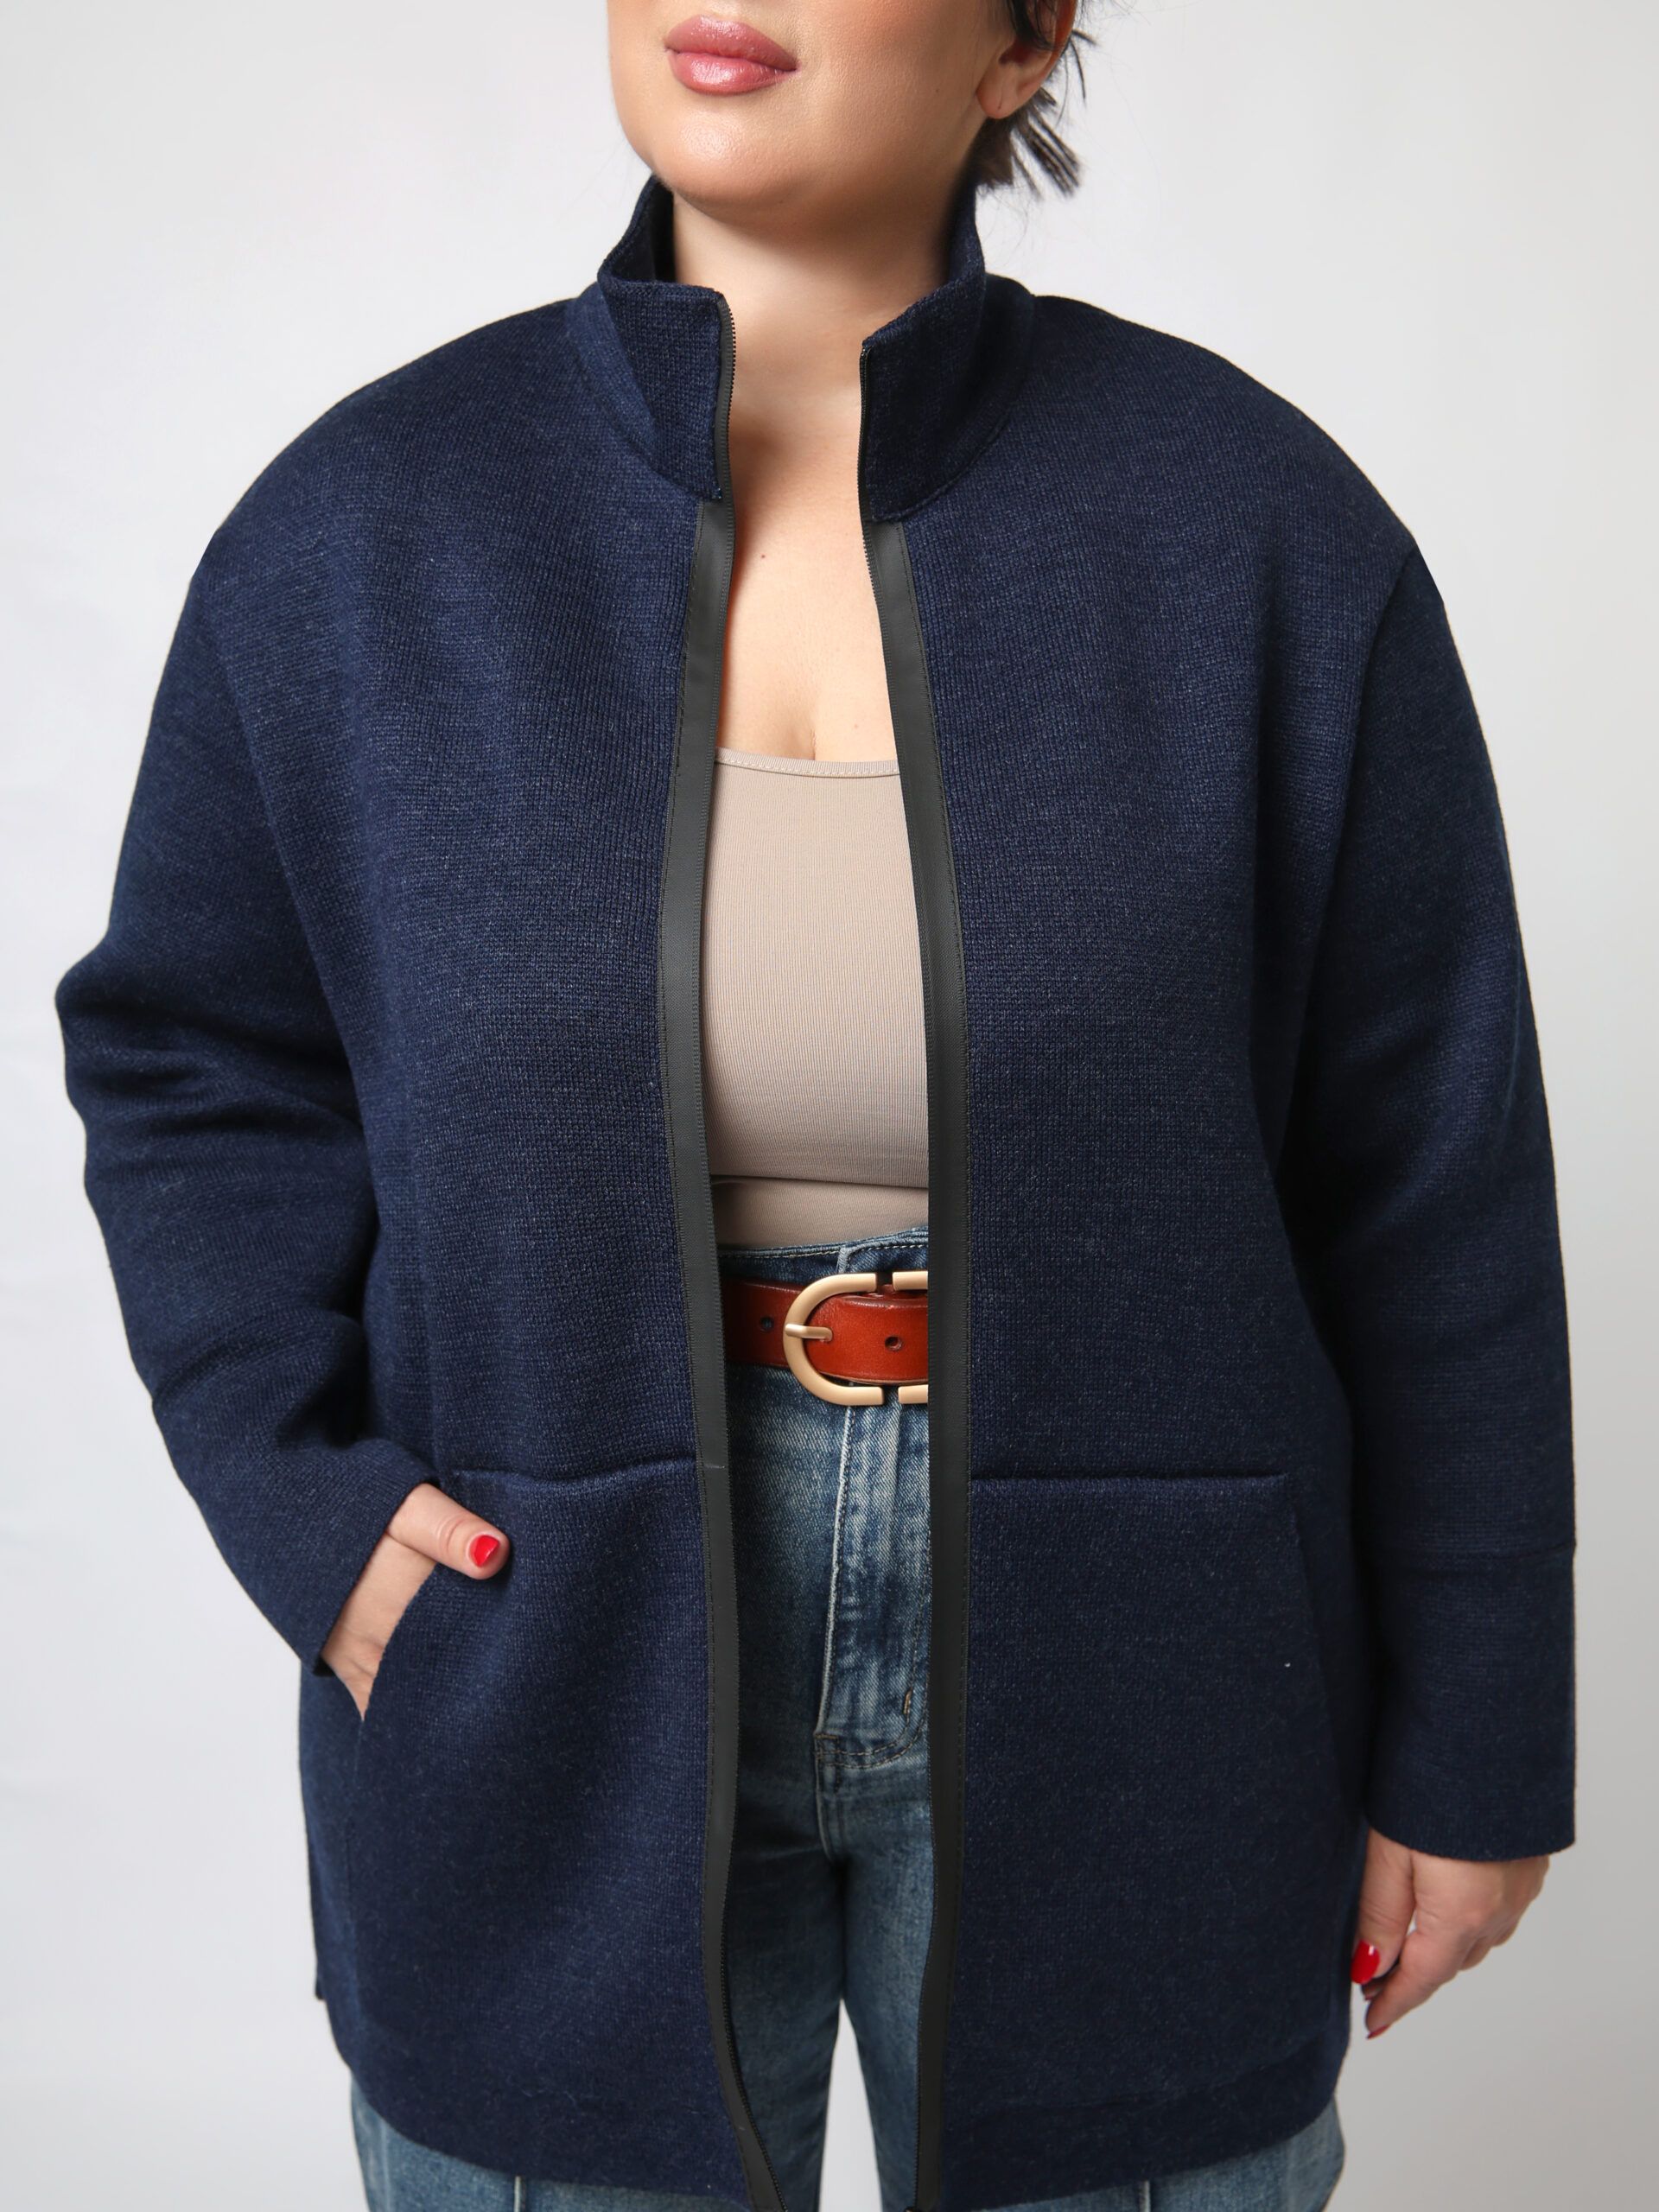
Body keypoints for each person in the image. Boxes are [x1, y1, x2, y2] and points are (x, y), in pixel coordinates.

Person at [55, 4, 1574, 2210]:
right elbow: (195, 1059)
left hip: (1151, 1662)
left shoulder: (1258, 532)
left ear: (1021, 46)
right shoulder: (364, 535)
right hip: (538, 1625)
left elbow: (1433, 1176)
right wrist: (306, 1506)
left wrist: (1479, 1734)